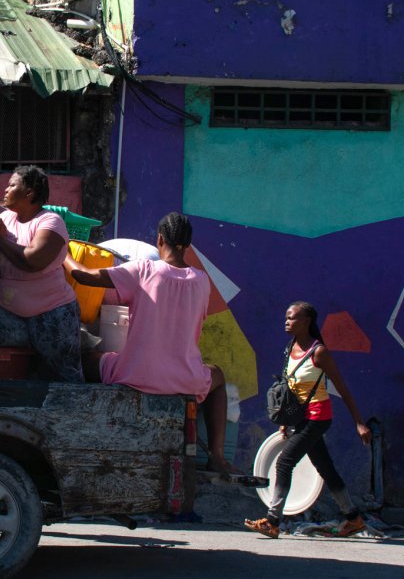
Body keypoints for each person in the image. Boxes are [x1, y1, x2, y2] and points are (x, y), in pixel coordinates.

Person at [65, 212, 234, 477]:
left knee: (87, 359)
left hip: (137, 374)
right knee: (218, 376)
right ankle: (218, 457)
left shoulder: (143, 270)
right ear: (188, 244)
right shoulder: (202, 281)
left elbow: (83, 275)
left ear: (160, 239)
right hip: (186, 379)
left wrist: (62, 249)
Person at [244, 301, 372, 539]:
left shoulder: (319, 352)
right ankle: (353, 518)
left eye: (292, 318)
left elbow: (342, 388)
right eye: (286, 317)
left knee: (284, 462)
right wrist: (286, 420)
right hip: (301, 418)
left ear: (306, 322)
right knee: (325, 468)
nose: (287, 321)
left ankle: (272, 521)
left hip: (317, 417)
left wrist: (359, 422)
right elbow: (291, 387)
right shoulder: (290, 347)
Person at [0, 165, 83, 382]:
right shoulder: (6, 219)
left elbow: (33, 261)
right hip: (10, 315)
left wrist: (1, 240)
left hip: (53, 317)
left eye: (12, 185)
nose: (6, 190)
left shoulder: (50, 222)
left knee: (66, 377)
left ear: (29, 193)